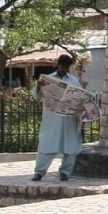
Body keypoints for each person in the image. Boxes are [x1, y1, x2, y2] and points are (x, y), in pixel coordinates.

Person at [33, 53, 84, 182]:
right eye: (62, 67)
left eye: (66, 67)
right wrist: (38, 86)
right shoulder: (49, 79)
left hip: (69, 119)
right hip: (52, 119)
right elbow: (36, 95)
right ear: (58, 65)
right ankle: (39, 172)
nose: (64, 70)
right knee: (47, 144)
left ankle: (65, 172)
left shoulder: (74, 81)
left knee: (70, 146)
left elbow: (80, 97)